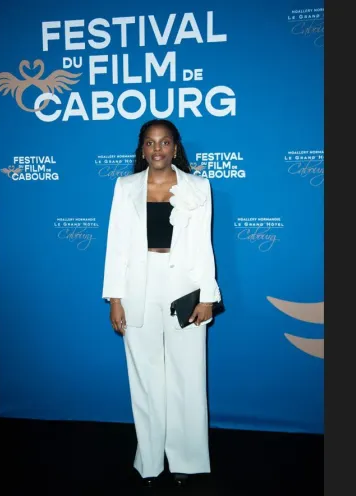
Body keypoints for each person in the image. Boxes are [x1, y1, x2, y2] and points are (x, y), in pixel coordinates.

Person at [102, 118, 222, 488]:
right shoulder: (125, 187)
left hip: (185, 288)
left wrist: (207, 296)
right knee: (145, 379)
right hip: (137, 288)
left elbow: (203, 245)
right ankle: (151, 460)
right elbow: (116, 245)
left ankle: (187, 459)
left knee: (189, 375)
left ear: (175, 147)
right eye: (151, 143)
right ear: (142, 149)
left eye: (165, 142)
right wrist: (115, 298)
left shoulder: (198, 187)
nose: (158, 149)